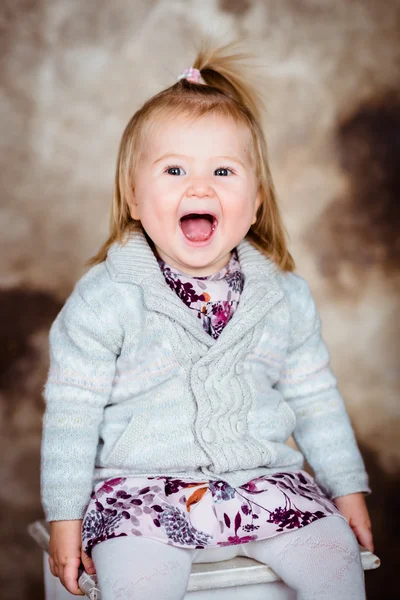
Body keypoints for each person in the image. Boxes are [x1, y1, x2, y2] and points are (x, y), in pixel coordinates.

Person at [41, 43, 374, 600]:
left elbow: (316, 400)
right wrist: (64, 519)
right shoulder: (108, 297)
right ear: (133, 198)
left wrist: (349, 492)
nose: (200, 187)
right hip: (144, 496)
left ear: (257, 201)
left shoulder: (284, 297)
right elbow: (72, 415)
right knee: (137, 582)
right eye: (174, 170)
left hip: (262, 486)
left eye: (224, 170)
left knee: (336, 559)